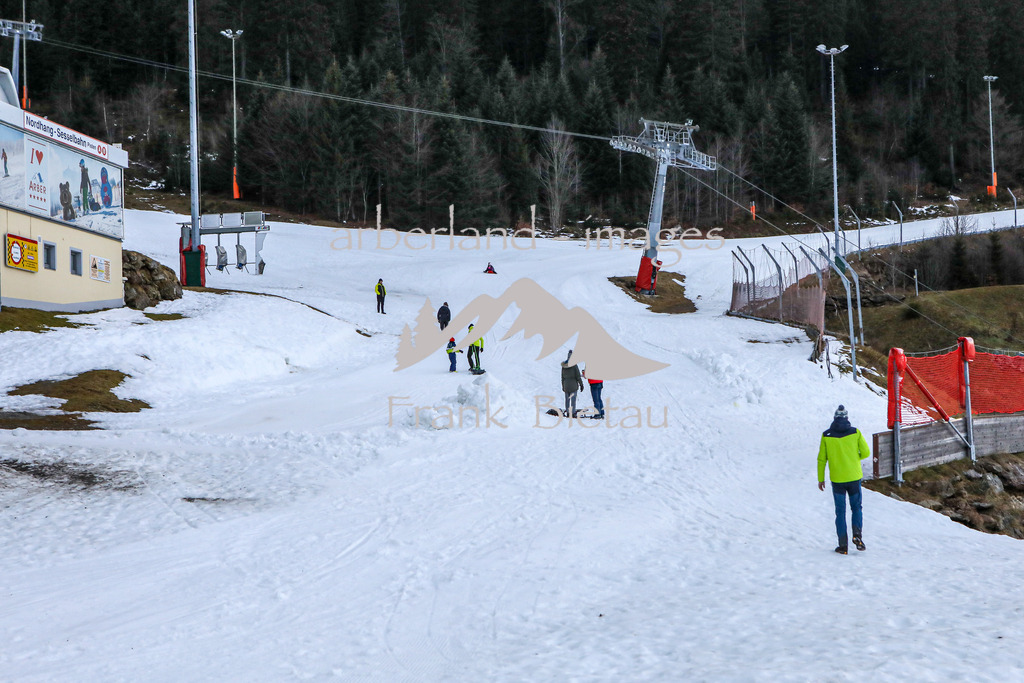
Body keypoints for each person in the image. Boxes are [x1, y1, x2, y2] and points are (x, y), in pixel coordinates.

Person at [817, 404, 871, 554]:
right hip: (854, 477)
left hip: (837, 479)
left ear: (834, 418)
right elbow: (866, 452)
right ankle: (857, 536)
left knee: (840, 512)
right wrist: (854, 458)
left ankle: (843, 546)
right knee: (856, 508)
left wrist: (821, 479)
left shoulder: (826, 435)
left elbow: (821, 459)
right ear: (847, 418)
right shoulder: (855, 432)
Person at [560, 350, 584, 417]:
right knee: (573, 401)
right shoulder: (574, 365)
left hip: (566, 385)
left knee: (567, 400)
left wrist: (563, 386)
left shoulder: (564, 366)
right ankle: (573, 413)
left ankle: (568, 412)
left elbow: (562, 377)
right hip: (573, 385)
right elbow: (578, 376)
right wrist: (581, 384)